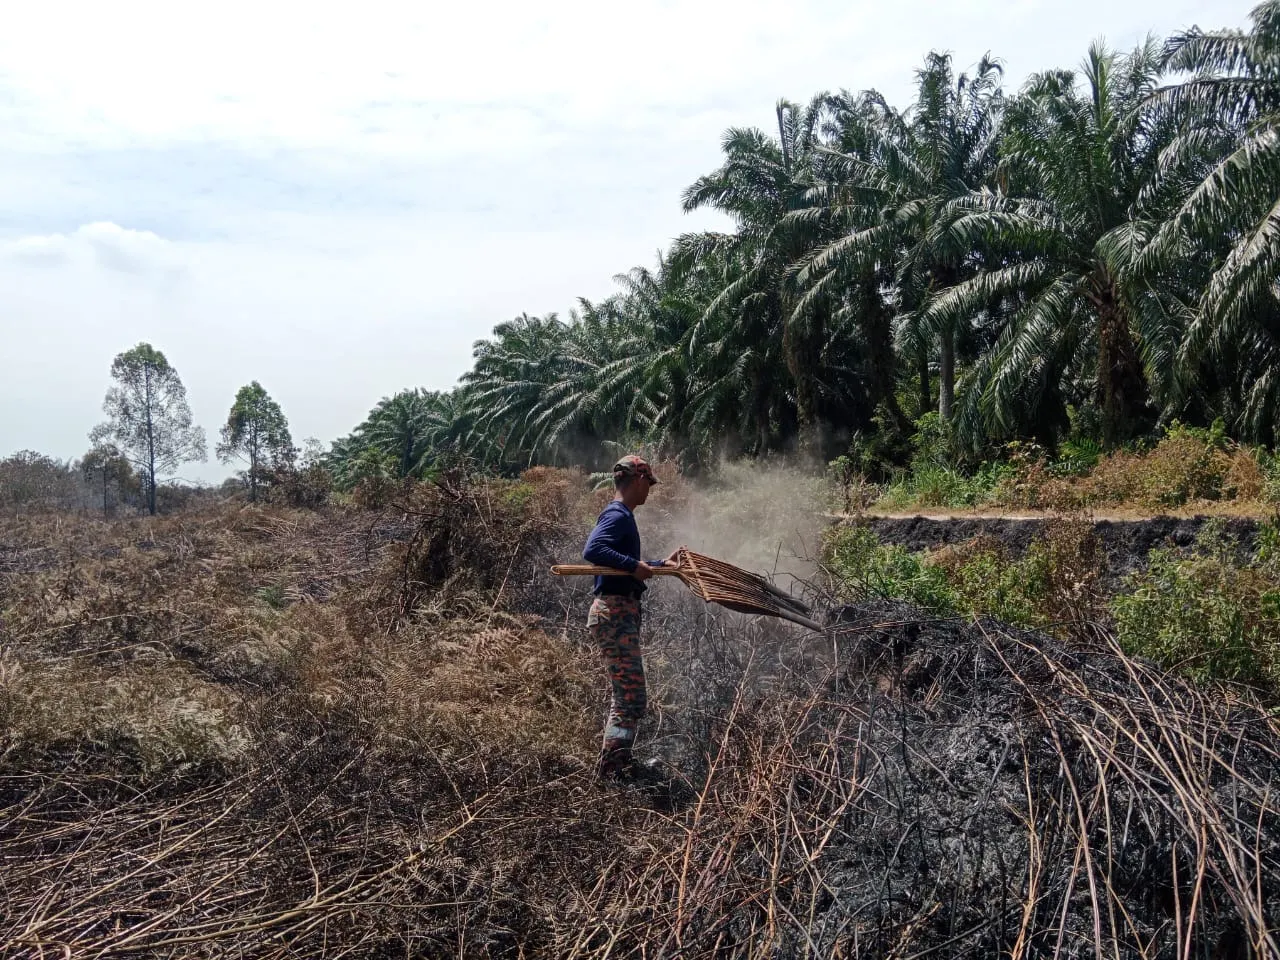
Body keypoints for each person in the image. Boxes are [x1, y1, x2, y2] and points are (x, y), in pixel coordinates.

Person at [582, 455, 680, 780]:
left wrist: (660, 564)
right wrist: (632, 565)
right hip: (614, 612)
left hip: (617, 612)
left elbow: (627, 564)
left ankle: (617, 764)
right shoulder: (617, 513)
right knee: (631, 698)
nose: (649, 491)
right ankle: (613, 772)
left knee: (627, 696)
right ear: (639, 480)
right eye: (649, 484)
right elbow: (593, 550)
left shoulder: (622, 515)